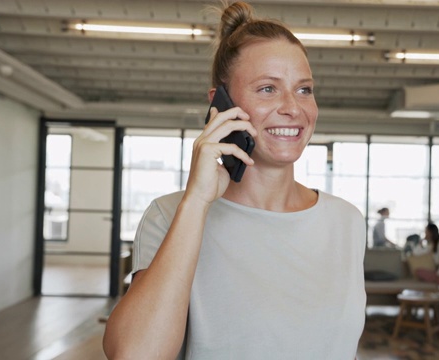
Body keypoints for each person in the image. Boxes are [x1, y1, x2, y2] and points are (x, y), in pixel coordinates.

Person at [102, 2, 367, 359]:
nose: (293, 107)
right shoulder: (170, 216)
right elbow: (135, 355)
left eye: (304, 89)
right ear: (220, 105)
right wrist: (196, 201)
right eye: (268, 89)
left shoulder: (345, 221)